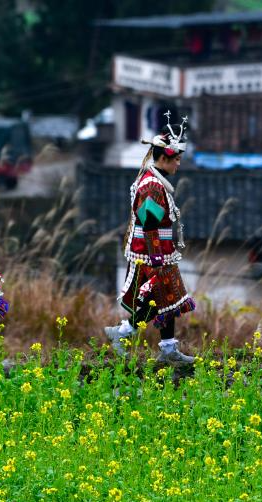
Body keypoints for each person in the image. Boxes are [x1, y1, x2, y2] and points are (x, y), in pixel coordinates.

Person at [105, 112, 196, 364]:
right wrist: (156, 257)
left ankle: (167, 348)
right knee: (154, 299)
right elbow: (149, 223)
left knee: (169, 300)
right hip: (149, 254)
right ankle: (122, 333)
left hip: (160, 252)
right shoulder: (152, 186)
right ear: (165, 158)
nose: (178, 164)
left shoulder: (157, 181)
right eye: (176, 159)